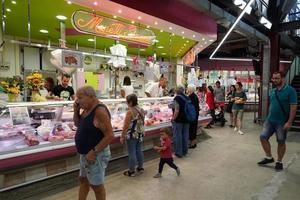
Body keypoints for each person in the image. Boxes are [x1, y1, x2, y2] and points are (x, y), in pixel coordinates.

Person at [73, 86, 114, 200]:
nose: (77, 101)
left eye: (80, 98)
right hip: (85, 153)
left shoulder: (99, 111)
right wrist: (76, 110)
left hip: (96, 155)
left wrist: (94, 151)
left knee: (96, 185)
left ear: (91, 96)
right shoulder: (86, 109)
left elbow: (110, 135)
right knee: (83, 180)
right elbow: (77, 124)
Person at [258, 71, 297, 171]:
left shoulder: (290, 90)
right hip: (270, 120)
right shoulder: (273, 90)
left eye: (277, 78)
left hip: (282, 122)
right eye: (273, 78)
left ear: (283, 78)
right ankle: (269, 157)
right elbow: (272, 104)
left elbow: (293, 107)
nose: (274, 80)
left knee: (281, 141)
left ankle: (279, 161)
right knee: (263, 137)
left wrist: (289, 122)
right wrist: (267, 116)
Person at [120, 94, 145, 177]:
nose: (126, 103)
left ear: (130, 102)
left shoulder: (130, 112)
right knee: (139, 150)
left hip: (132, 134)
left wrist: (122, 136)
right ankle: (140, 168)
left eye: (127, 102)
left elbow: (126, 126)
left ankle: (131, 171)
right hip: (140, 133)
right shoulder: (141, 109)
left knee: (132, 153)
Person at [172, 86, 190, 158]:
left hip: (179, 120)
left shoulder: (177, 98)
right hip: (187, 119)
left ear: (177, 91)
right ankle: (185, 151)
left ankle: (179, 152)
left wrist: (173, 118)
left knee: (178, 136)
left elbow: (177, 110)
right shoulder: (187, 97)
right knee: (185, 135)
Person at [187, 84, 200, 149]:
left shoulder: (192, 96)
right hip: (195, 114)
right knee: (194, 129)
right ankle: (194, 142)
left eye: (188, 88)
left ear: (190, 89)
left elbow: (190, 107)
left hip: (192, 115)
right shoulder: (194, 96)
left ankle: (192, 144)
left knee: (192, 129)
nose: (187, 89)